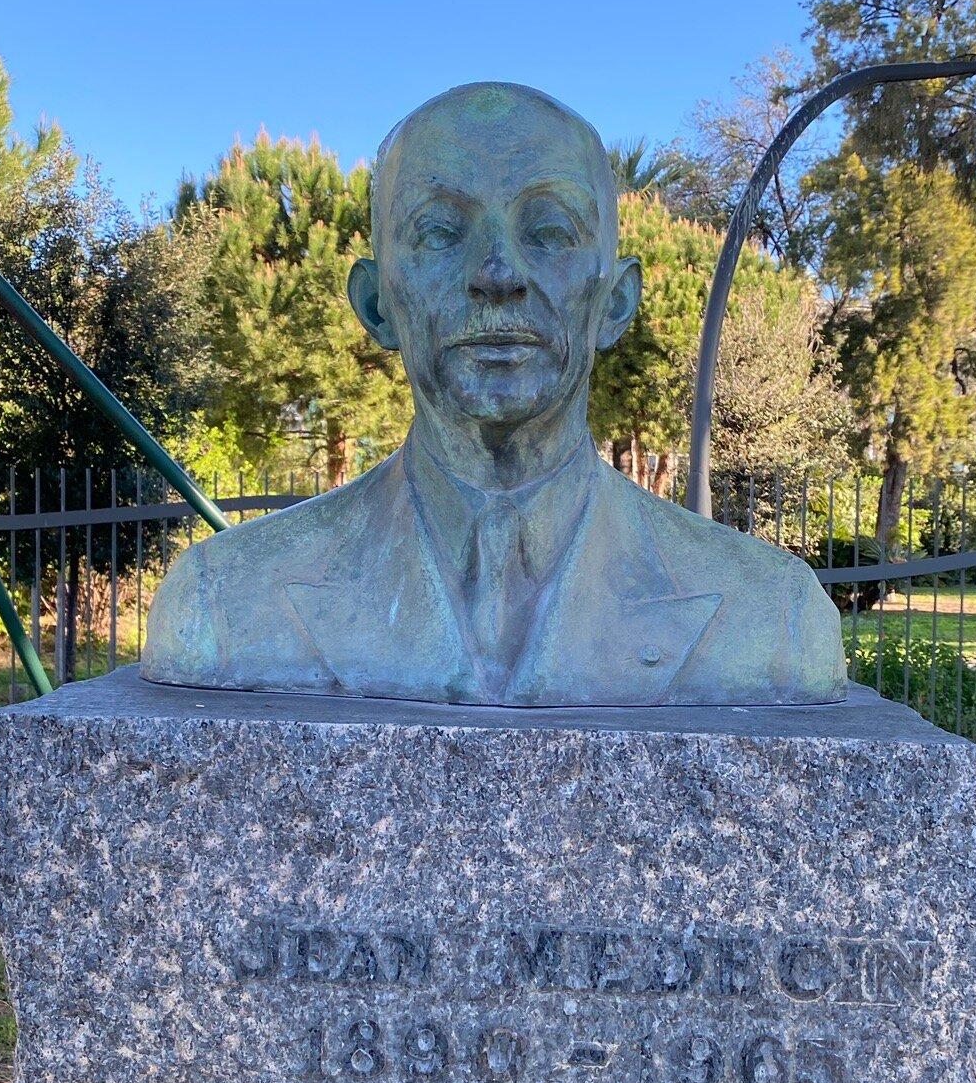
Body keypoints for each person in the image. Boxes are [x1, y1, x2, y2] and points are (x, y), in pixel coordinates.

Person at [142, 81, 844, 707]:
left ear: (616, 304)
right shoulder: (222, 605)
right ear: (377, 304)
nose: (499, 272)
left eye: (549, 232)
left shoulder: (776, 617)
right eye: (441, 232)